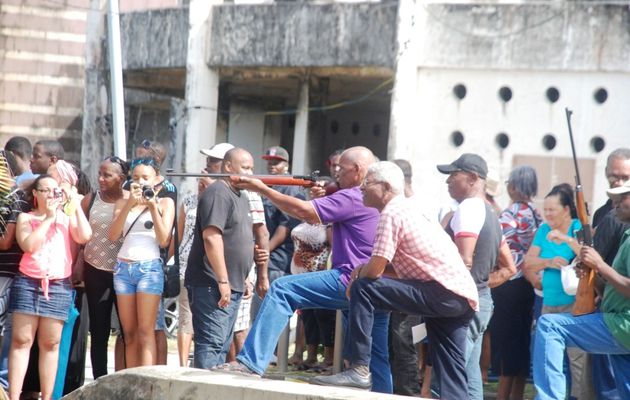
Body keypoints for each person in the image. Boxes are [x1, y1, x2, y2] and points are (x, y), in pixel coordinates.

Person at [225, 146, 393, 394]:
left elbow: (304, 212)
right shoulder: (377, 200)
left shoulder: (354, 196)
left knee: (282, 289)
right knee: (377, 356)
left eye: (341, 169)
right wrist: (319, 200)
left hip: (349, 280)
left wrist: (261, 189)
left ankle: (251, 363)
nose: (336, 173)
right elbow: (324, 219)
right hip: (375, 285)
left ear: (358, 170)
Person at [311, 161, 478, 397]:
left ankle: (358, 368)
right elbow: (397, 266)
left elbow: (375, 270)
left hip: (440, 291)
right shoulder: (410, 209)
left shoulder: (391, 212)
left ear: (386, 187)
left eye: (367, 183)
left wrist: (359, 273)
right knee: (451, 369)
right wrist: (363, 268)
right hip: (460, 296)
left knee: (363, 288)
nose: (361, 189)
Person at [533, 180, 630, 400]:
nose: (615, 204)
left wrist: (600, 265)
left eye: (623, 197)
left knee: (550, 326)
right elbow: (615, 293)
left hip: (623, 325)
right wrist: (592, 277)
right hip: (621, 323)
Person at [437, 153, 516, 400]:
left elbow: (464, 260)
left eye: (453, 175)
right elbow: (510, 268)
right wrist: (482, 286)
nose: (447, 181)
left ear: (472, 178)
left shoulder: (469, 208)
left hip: (463, 303)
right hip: (480, 300)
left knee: (451, 378)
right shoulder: (491, 212)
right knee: (470, 379)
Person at [8, 175, 91, 400]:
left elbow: (84, 235)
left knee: (50, 343)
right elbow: (29, 245)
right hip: (28, 281)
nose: (50, 195)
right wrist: (48, 218)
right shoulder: (26, 217)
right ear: (35, 193)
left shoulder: (66, 218)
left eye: (54, 191)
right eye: (44, 190)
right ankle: (13, 396)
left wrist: (74, 205)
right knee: (21, 341)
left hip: (58, 285)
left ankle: (48, 396)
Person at [184, 148, 257, 370]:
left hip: (232, 284)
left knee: (222, 347)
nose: (250, 173)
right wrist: (223, 280)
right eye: (245, 167)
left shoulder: (241, 196)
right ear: (228, 167)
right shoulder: (218, 193)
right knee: (211, 345)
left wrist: (243, 277)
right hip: (211, 284)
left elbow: (238, 238)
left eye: (251, 168)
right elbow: (212, 237)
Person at [108, 158, 175, 368]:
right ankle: (132, 380)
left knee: (147, 331)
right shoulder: (122, 201)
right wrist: (129, 204)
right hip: (123, 268)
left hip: (149, 268)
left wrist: (153, 206)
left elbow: (164, 240)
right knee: (129, 333)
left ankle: (146, 382)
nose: (140, 181)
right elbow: (112, 235)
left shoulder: (166, 202)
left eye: (145, 177)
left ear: (156, 179)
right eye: (136, 177)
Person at [523, 183, 586, 399]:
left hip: (575, 304)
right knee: (549, 359)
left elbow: (589, 254)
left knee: (578, 359)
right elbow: (528, 263)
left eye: (552, 209)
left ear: (567, 209)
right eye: (545, 209)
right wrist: (548, 262)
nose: (547, 214)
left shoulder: (578, 226)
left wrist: (566, 239)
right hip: (549, 303)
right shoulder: (543, 230)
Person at [490, 166, 542, 400]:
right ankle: (517, 395)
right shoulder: (538, 213)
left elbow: (498, 247)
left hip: (508, 281)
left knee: (504, 339)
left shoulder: (510, 214)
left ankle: (501, 395)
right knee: (521, 339)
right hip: (528, 284)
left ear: (513, 187)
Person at [81, 156, 128, 378]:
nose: (100, 178)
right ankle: (99, 381)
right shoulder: (90, 200)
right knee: (98, 332)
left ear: (122, 178)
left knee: (128, 332)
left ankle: (127, 377)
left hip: (125, 273)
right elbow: (78, 237)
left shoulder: (132, 200)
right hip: (95, 271)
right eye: (100, 173)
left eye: (107, 175)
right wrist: (77, 266)